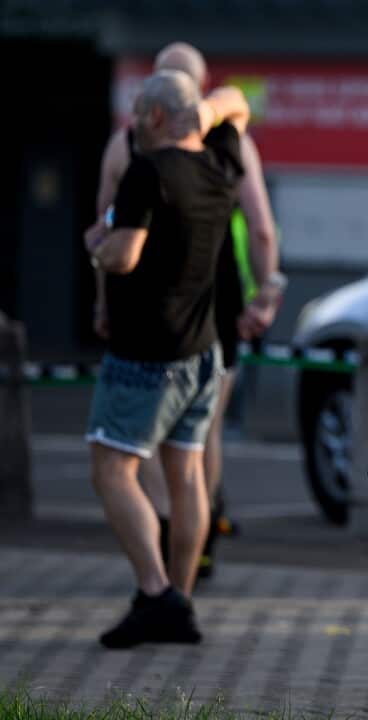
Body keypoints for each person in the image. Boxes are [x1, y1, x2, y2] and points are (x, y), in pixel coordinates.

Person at [93, 41, 284, 580]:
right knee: (201, 443)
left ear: (154, 106)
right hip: (215, 309)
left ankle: (157, 553)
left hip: (146, 318)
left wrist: (101, 300)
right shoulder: (228, 149)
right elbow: (262, 228)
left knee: (135, 450)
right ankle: (193, 557)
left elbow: (109, 237)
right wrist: (265, 292)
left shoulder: (128, 149)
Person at [83, 71, 251, 648]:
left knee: (111, 468)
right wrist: (203, 114)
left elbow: (124, 256)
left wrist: (96, 247)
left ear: (155, 117)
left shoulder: (147, 170)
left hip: (146, 356)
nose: (132, 124)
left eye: (138, 114)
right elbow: (235, 104)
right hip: (203, 352)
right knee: (187, 477)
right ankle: (180, 600)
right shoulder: (221, 165)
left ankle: (155, 594)